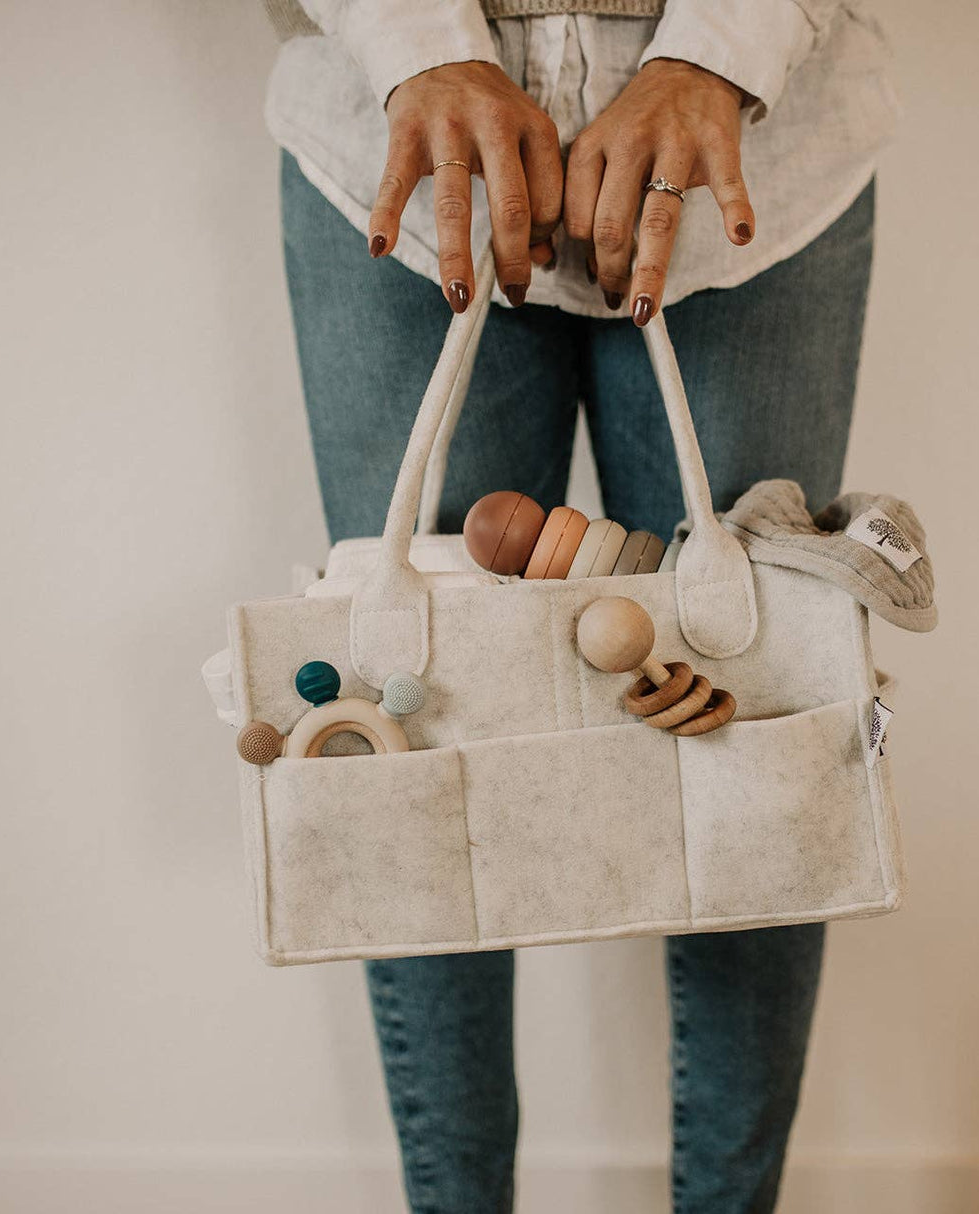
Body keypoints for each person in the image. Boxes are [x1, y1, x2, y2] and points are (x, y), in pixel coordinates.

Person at [262, 1, 898, 1210]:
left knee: (757, 743)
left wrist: (719, 49)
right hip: (399, 167)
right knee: (402, 746)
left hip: (753, 173)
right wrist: (414, 43)